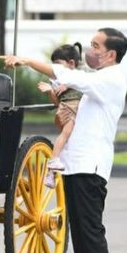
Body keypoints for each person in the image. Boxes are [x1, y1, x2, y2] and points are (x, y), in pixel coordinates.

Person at [0, 27, 127, 253]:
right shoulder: (99, 81)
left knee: (91, 232)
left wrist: (28, 61)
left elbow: (69, 77)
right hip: (76, 163)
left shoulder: (110, 79)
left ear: (110, 54)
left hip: (90, 166)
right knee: (80, 234)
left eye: (96, 46)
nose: (90, 51)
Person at [37, 43, 83, 188]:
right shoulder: (58, 81)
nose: (55, 68)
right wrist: (51, 91)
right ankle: (53, 161)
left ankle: (51, 173)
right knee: (64, 136)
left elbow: (79, 81)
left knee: (65, 143)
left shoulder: (77, 76)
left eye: (58, 64)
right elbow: (58, 102)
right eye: (53, 64)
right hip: (68, 109)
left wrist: (67, 84)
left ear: (71, 64)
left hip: (73, 109)